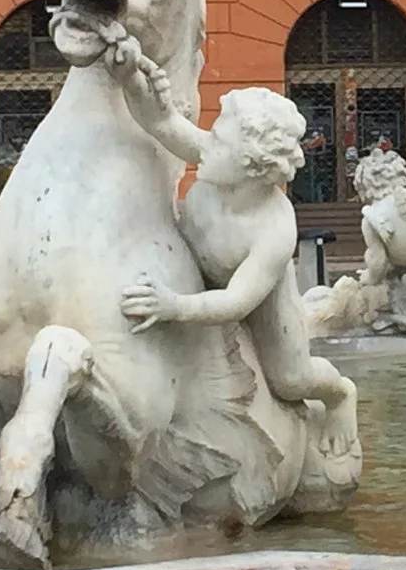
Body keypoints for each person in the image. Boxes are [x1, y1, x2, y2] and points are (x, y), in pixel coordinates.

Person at [116, 64, 360, 465]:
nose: (205, 144)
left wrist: (173, 306)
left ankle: (341, 394)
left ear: (251, 164)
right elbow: (162, 124)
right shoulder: (219, 164)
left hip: (265, 308)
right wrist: (142, 89)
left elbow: (236, 302)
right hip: (197, 273)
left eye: (219, 141)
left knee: (291, 379)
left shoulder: (272, 229)